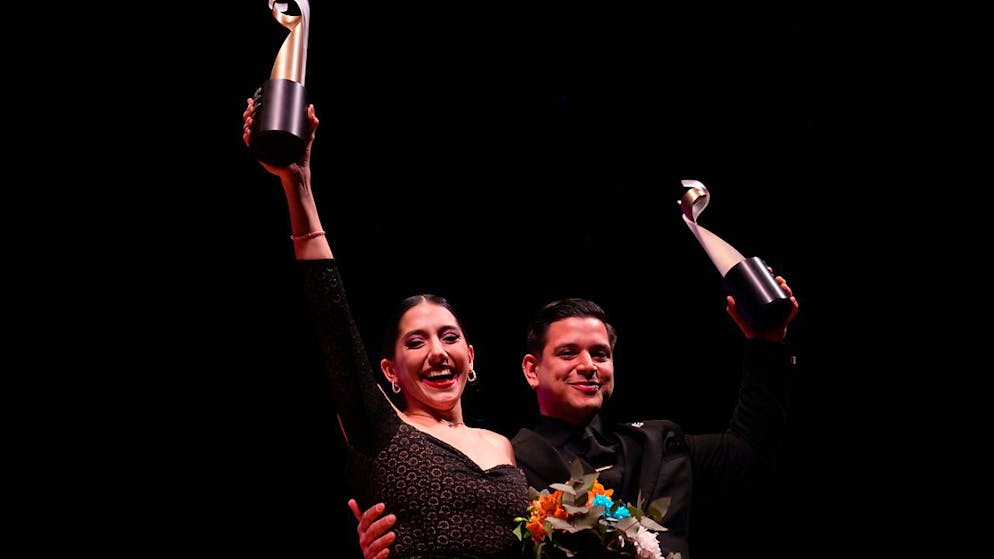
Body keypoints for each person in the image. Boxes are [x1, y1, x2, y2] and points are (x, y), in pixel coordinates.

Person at [243, 99, 529, 558]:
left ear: (471, 357)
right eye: (415, 342)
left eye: (449, 336)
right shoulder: (381, 429)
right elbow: (332, 318)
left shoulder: (504, 447)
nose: (437, 351)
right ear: (390, 372)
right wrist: (299, 185)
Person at [354, 285, 798, 558]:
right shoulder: (506, 467)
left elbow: (749, 455)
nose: (588, 365)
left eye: (600, 354)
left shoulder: (663, 441)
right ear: (532, 370)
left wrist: (767, 346)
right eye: (568, 353)